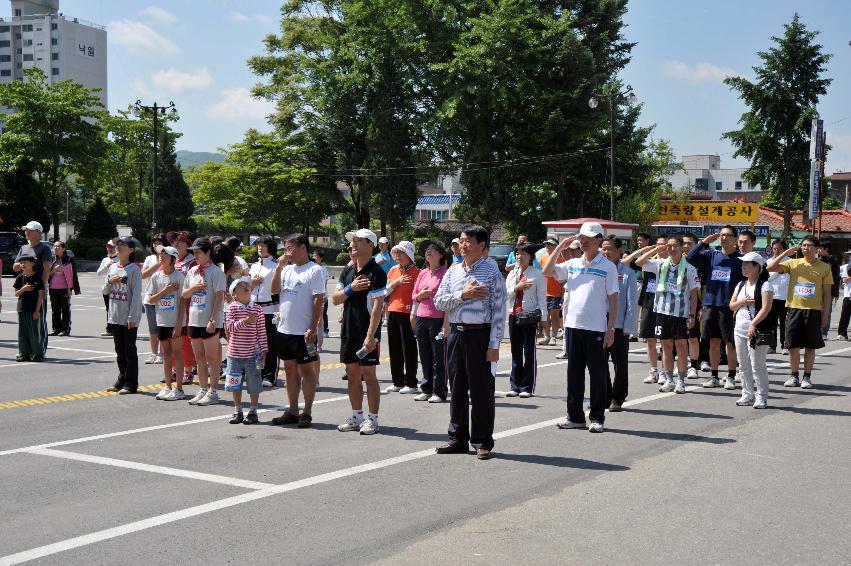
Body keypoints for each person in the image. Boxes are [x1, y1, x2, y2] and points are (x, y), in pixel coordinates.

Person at [434, 225, 505, 459]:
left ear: (482, 246)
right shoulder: (452, 271)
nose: (463, 245)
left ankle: (482, 441)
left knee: (481, 390)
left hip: (480, 335)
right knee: (456, 388)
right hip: (455, 334)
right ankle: (457, 438)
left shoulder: (491, 272)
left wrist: (494, 345)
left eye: (468, 241)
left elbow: (498, 310)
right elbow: (439, 302)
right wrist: (463, 295)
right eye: (461, 240)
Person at [544, 222, 619, 433]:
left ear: (598, 240)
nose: (583, 241)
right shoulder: (573, 263)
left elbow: (614, 300)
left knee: (597, 375)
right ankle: (575, 416)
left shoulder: (608, 267)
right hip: (572, 326)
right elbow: (547, 271)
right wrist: (560, 248)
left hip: (596, 328)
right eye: (581, 237)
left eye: (589, 238)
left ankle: (597, 417)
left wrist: (610, 329)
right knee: (574, 374)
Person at [269, 234, 326, 428]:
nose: (287, 252)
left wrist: (312, 326)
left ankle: (307, 412)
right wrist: (278, 268)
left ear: (303, 247)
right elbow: (274, 290)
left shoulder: (315, 270)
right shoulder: (286, 270)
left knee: (307, 371)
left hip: (303, 331)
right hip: (284, 329)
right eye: (285, 248)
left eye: (290, 247)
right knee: (290, 370)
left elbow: (319, 299)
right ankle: (292, 410)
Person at [334, 228, 387, 435]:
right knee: (352, 374)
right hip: (348, 330)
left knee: (369, 375)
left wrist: (371, 335)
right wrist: (351, 288)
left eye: (359, 241)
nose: (353, 244)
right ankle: (357, 416)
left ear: (370, 245)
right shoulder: (347, 271)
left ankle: (372, 420)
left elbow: (377, 306)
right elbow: (336, 298)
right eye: (352, 241)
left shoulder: (377, 272)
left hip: (367, 332)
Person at [634, 236, 700, 395]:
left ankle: (681, 381)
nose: (671, 249)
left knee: (681, 347)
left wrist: (691, 314)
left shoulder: (689, 268)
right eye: (668, 246)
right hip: (662, 313)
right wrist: (656, 249)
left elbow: (693, 293)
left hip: (680, 313)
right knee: (666, 347)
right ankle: (669, 379)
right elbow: (638, 263)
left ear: (681, 248)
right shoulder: (659, 264)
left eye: (674, 246)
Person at [767, 236, 833, 389]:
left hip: (813, 311)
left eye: (809, 245)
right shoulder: (793, 263)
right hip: (794, 309)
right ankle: (794, 376)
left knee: (810, 346)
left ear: (817, 248)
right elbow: (770, 268)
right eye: (803, 245)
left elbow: (827, 294)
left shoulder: (824, 267)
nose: (805, 248)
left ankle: (807, 377)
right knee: (792, 346)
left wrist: (825, 315)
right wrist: (784, 254)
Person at [687, 225, 744, 390]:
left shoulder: (740, 260)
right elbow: (690, 258)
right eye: (722, 235)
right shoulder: (711, 254)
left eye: (728, 235)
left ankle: (732, 375)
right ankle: (714, 375)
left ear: (735, 239)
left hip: (729, 307)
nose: (724, 238)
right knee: (712, 342)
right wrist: (704, 242)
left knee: (730, 344)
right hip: (711, 304)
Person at [183, 238, 227, 406]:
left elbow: (218, 298)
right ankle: (202, 389)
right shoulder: (192, 271)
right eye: (193, 252)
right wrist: (194, 288)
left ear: (208, 252)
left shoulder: (216, 272)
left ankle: (214, 392)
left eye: (198, 252)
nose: (195, 255)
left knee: (212, 358)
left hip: (210, 321)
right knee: (199, 358)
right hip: (194, 319)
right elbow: (185, 294)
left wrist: (213, 319)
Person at [730, 252, 776, 409]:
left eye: (747, 264)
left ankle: (761, 397)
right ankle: (747, 394)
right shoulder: (741, 285)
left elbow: (766, 308)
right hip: (739, 329)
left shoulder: (765, 285)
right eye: (742, 264)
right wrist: (741, 301)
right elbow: (731, 305)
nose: (743, 267)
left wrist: (753, 324)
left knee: (757, 365)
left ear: (757, 267)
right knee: (743, 365)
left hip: (757, 330)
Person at [504, 243, 546, 398]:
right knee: (515, 351)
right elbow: (505, 294)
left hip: (529, 316)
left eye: (523, 254)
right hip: (514, 315)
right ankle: (515, 385)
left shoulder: (537, 274)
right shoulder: (512, 274)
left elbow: (542, 298)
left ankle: (527, 386)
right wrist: (517, 287)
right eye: (517, 254)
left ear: (531, 257)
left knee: (529, 351)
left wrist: (543, 319)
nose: (519, 257)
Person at [224, 278, 268, 425]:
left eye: (247, 285)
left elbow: (261, 331)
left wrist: (264, 350)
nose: (245, 287)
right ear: (234, 294)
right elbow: (229, 328)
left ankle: (253, 411)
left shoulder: (257, 309)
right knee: (235, 384)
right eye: (240, 286)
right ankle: (238, 410)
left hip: (252, 355)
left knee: (254, 383)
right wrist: (246, 321)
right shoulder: (231, 308)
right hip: (234, 354)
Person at [601, 236, 637, 411]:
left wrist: (628, 326)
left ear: (619, 251)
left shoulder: (627, 273)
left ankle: (618, 397)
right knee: (599, 363)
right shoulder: (597, 269)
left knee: (620, 363)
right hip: (598, 324)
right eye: (603, 249)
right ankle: (605, 395)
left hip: (619, 326)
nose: (606, 252)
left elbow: (631, 302)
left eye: (610, 249)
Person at [104, 237, 143, 394]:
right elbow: (105, 291)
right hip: (115, 316)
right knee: (119, 351)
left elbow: (136, 296)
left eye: (123, 245)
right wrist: (109, 282)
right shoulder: (112, 267)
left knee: (129, 350)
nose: (118, 248)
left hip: (128, 318)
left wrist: (133, 317)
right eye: (117, 245)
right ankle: (121, 379)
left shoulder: (134, 269)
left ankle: (131, 383)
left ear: (131, 250)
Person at [626, 237, 667, 385]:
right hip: (649, 302)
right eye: (659, 244)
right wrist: (649, 250)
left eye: (664, 244)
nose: (662, 246)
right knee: (650, 339)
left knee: (664, 340)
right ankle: (653, 370)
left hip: (665, 305)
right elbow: (633, 262)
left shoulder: (672, 262)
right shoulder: (650, 260)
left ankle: (664, 371)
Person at [411, 240, 449, 403]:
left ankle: (439, 391)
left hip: (438, 318)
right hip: (421, 318)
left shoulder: (446, 273)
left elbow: (449, 300)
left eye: (432, 250)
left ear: (441, 254)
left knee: (438, 356)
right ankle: (426, 388)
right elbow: (414, 295)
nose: (428, 252)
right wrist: (421, 295)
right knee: (425, 355)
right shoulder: (422, 273)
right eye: (427, 250)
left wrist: (446, 323)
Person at [147, 246, 186, 401]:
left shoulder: (180, 277)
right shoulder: (156, 277)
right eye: (160, 254)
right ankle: (168, 386)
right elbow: (151, 299)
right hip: (161, 321)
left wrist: (178, 324)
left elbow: (183, 302)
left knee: (177, 353)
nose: (161, 257)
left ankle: (179, 389)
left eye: (165, 255)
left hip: (175, 322)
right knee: (166, 355)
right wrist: (166, 290)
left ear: (173, 258)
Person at [384, 240, 421, 394]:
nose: (397, 256)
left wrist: (415, 313)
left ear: (409, 255)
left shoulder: (417, 272)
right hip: (393, 311)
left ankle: (411, 383)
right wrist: (396, 282)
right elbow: (385, 292)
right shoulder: (393, 271)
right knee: (394, 348)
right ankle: (397, 381)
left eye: (401, 253)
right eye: (396, 253)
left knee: (409, 349)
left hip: (409, 313)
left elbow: (418, 296)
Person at [13, 221, 53, 352]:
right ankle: (27, 350)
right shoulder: (23, 248)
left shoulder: (44, 248)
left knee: (39, 319)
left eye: (29, 230)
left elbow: (47, 268)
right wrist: (25, 263)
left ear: (38, 232)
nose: (26, 232)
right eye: (26, 230)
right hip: (24, 289)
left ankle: (40, 349)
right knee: (25, 320)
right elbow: (14, 267)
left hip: (38, 288)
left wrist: (43, 287)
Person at [250, 236, 281, 387]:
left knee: (270, 343)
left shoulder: (276, 266)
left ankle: (269, 375)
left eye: (263, 245)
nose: (260, 247)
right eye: (258, 245)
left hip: (271, 309)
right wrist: (252, 282)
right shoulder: (254, 266)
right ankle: (258, 372)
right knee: (256, 343)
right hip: (254, 309)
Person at [169, 231, 197, 385]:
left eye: (180, 242)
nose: (176, 244)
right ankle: (175, 369)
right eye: (175, 242)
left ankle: (188, 370)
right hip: (172, 303)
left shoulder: (192, 262)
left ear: (188, 245)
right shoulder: (173, 260)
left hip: (187, 303)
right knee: (173, 338)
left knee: (185, 339)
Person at [13, 255, 45, 362]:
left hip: (33, 310)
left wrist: (37, 311)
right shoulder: (19, 278)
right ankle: (24, 353)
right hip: (22, 308)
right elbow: (17, 294)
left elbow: (41, 296)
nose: (22, 264)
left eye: (25, 262)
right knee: (23, 333)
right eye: (21, 263)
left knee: (34, 332)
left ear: (32, 264)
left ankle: (37, 354)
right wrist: (23, 289)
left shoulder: (37, 278)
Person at [681, 232, 705, 377]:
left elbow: (704, 285)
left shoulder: (702, 260)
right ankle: (683, 364)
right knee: (679, 338)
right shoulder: (676, 260)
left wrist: (702, 306)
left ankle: (694, 366)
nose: (685, 246)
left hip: (694, 302)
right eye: (683, 243)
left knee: (693, 336)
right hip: (676, 304)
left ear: (697, 245)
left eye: (689, 243)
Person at [141, 234, 166, 365]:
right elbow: (143, 274)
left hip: (164, 298)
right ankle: (153, 353)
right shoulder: (150, 258)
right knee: (152, 329)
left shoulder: (169, 257)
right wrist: (157, 264)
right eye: (154, 243)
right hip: (149, 298)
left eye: (159, 242)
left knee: (162, 327)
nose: (156, 245)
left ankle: (161, 354)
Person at [555, 241, 581, 360]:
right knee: (566, 322)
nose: (571, 252)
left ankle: (578, 349)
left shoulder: (587, 263)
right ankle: (566, 349)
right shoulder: (569, 263)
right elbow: (558, 279)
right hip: (569, 294)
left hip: (581, 296)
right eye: (569, 250)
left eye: (574, 249)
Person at [48, 241, 79, 336]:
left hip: (65, 288)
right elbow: (47, 274)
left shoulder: (68, 259)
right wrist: (54, 270)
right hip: (53, 287)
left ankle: (65, 329)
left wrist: (71, 289)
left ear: (63, 249)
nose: (56, 248)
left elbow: (73, 274)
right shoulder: (51, 259)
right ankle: (56, 329)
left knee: (65, 309)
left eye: (58, 246)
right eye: (54, 246)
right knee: (55, 309)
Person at [767, 239, 791, 353]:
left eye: (779, 249)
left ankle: (785, 345)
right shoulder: (768, 262)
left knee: (784, 323)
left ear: (784, 250)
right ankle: (772, 346)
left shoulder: (790, 262)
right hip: (772, 297)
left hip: (786, 297)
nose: (776, 251)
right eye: (774, 248)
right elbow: (766, 278)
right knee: (771, 322)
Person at [539, 237, 564, 346]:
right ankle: (546, 336)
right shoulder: (543, 258)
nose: (547, 247)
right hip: (544, 292)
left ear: (556, 246)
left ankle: (553, 337)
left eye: (550, 244)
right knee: (545, 316)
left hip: (556, 292)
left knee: (554, 315)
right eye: (546, 245)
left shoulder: (562, 259)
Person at [817, 241, 840, 339]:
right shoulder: (817, 260)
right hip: (817, 289)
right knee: (816, 310)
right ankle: (816, 330)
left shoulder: (833, 261)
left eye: (820, 248)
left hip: (829, 290)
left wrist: (835, 292)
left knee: (827, 310)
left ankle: (824, 332)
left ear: (826, 249)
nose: (818, 250)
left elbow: (836, 277)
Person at [97, 240, 119, 336]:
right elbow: (99, 273)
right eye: (108, 247)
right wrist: (106, 266)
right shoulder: (105, 260)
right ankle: (109, 329)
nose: (110, 249)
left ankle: (117, 328)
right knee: (109, 308)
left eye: (112, 247)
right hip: (107, 287)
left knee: (117, 309)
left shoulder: (120, 258)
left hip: (118, 288)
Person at [312, 249, 331, 338]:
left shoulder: (323, 269)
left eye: (315, 256)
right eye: (313, 255)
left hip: (323, 296)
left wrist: (323, 295)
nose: (313, 257)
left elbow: (324, 283)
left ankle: (325, 330)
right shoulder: (311, 267)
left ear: (321, 258)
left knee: (323, 314)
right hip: (313, 295)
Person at [838, 252, 851, 341]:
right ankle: (842, 334)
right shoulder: (847, 267)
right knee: (845, 315)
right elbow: (845, 280)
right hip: (848, 295)